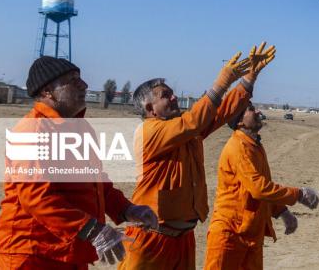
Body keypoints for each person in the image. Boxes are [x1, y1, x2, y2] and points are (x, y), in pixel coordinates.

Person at [118, 43, 275, 270]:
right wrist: (222, 82)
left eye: (172, 94)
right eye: (166, 96)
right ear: (150, 108)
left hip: (183, 240)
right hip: (150, 240)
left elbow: (220, 113)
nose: (173, 98)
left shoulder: (187, 133)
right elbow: (193, 121)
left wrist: (250, 76)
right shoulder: (147, 132)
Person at [0, 56, 158, 269]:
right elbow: (37, 198)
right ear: (47, 92)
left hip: (69, 251)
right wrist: (93, 230)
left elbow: (98, 184)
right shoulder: (32, 130)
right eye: (73, 80)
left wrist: (127, 209)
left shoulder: (80, 130)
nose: (85, 85)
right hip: (32, 253)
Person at [202, 103, 319, 270]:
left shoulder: (255, 146)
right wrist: (299, 194)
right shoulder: (238, 147)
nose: (258, 111)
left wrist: (282, 212)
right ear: (240, 121)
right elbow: (259, 188)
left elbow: (264, 187)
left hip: (251, 235)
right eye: (251, 109)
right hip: (230, 235)